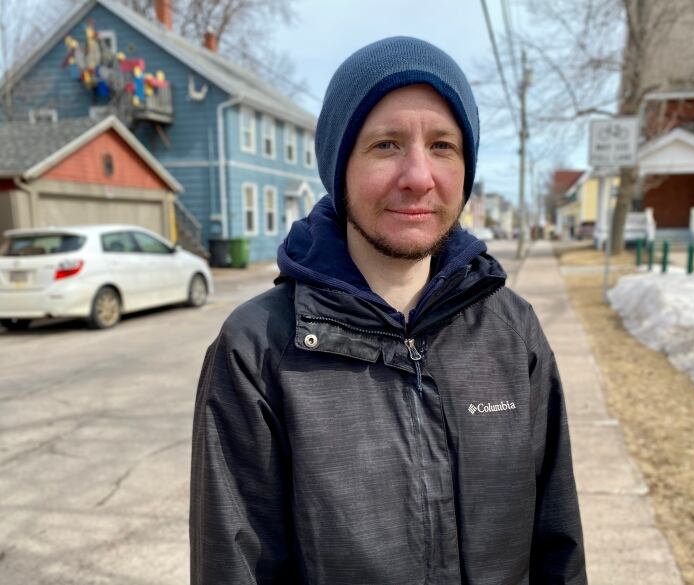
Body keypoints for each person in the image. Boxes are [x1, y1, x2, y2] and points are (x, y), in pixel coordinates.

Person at [190, 36, 587, 585]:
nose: (419, 176)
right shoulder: (258, 349)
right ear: (340, 167)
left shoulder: (512, 332)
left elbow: (557, 545)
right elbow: (234, 568)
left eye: (443, 146)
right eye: (386, 145)